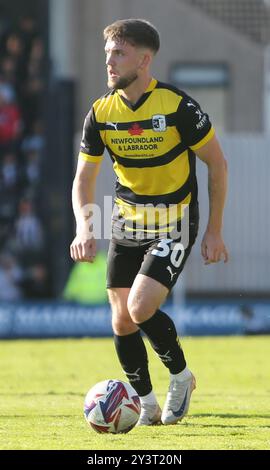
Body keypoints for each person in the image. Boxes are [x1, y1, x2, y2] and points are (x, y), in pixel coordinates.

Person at [70, 19, 228, 426]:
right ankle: (147, 404)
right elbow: (83, 179)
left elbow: (218, 164)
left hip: (175, 220)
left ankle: (181, 377)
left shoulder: (177, 106)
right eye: (107, 54)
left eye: (118, 54)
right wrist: (84, 227)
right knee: (121, 316)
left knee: (141, 307)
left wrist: (214, 230)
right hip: (127, 221)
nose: (109, 62)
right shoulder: (101, 112)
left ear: (144, 59)